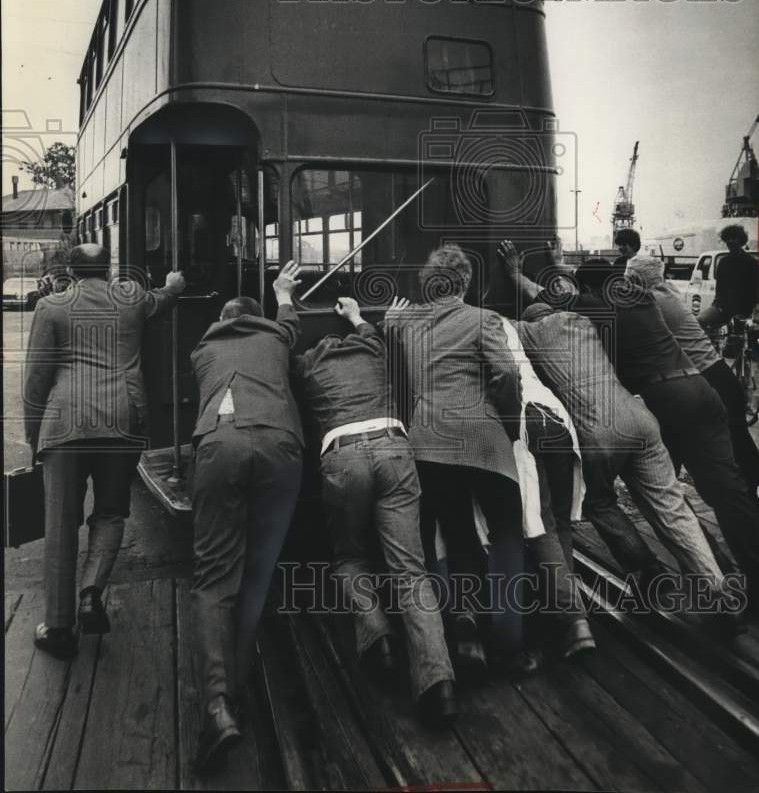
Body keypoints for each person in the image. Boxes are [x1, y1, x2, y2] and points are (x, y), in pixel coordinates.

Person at [500, 241, 759, 613]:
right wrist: (559, 266)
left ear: (590, 289)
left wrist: (513, 274)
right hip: (703, 388)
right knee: (710, 493)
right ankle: (724, 579)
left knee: (620, 496)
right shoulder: (643, 297)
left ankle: (655, 571)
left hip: (666, 399)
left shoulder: (596, 306)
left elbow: (549, 301)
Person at [515, 301, 732, 622]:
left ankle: (649, 574)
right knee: (672, 508)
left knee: (596, 500)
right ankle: (717, 589)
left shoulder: (529, 332)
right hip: (639, 418)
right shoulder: (582, 320)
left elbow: (491, 324)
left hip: (598, 429)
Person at [295, 296, 457, 724]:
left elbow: (284, 344)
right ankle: (438, 683)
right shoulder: (372, 347)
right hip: (393, 447)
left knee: (349, 555)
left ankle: (377, 636)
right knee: (410, 570)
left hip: (343, 456)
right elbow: (369, 330)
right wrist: (354, 316)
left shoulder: (308, 364)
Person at [23, 244, 185, 659]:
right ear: (108, 268)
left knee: (60, 523)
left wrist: (33, 435)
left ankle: (59, 628)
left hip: (64, 424)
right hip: (121, 419)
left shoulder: (51, 307)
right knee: (112, 511)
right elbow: (163, 300)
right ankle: (91, 591)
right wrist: (173, 285)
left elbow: (36, 379)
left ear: (72, 271)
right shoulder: (131, 298)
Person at [385, 244, 540, 677]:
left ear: (426, 283)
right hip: (483, 439)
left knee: (455, 533)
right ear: (466, 283)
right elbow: (507, 374)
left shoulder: (406, 325)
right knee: (508, 531)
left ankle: (465, 628)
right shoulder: (483, 319)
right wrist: (508, 423)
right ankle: (510, 642)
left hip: (429, 444)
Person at [189, 262, 304, 772]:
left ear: (221, 319)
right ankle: (238, 680)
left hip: (221, 442)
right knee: (258, 572)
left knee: (215, 577)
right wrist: (282, 293)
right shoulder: (277, 340)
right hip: (281, 444)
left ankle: (218, 706)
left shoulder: (203, 349)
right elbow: (289, 326)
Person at [499, 316, 595, 657]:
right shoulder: (502, 323)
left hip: (527, 422)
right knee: (561, 520)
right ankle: (567, 610)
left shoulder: (470, 330)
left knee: (540, 525)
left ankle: (573, 619)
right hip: (556, 415)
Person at [626, 253, 759, 499]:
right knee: (730, 443)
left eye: (628, 278)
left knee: (734, 447)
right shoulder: (668, 292)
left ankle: (746, 503)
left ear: (635, 277)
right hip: (717, 375)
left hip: (709, 377)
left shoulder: (651, 301)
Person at [699, 224, 759, 330]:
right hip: (723, 309)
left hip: (745, 311)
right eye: (728, 238)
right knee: (700, 321)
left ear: (741, 240)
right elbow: (719, 290)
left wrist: (751, 313)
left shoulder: (751, 262)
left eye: (734, 238)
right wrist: (716, 305)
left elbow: (755, 290)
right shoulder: (723, 262)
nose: (731, 241)